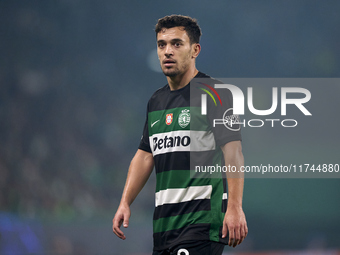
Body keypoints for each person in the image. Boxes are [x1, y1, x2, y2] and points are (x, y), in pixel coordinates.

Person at [112, 15, 248, 255]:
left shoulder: (215, 93)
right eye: (162, 44)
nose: (167, 51)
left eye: (176, 44)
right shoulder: (156, 101)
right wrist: (125, 202)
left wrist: (235, 207)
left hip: (201, 223)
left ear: (195, 50)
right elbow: (145, 156)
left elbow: (233, 151)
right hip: (164, 227)